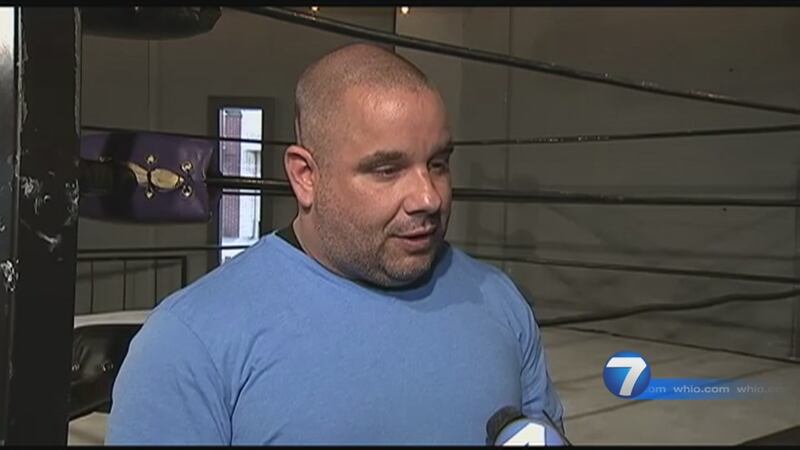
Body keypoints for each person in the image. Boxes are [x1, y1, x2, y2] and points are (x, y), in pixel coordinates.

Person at [106, 42, 565, 445]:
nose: (428, 197)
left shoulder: (499, 300)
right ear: (306, 177)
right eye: (387, 170)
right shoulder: (188, 343)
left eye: (438, 163)